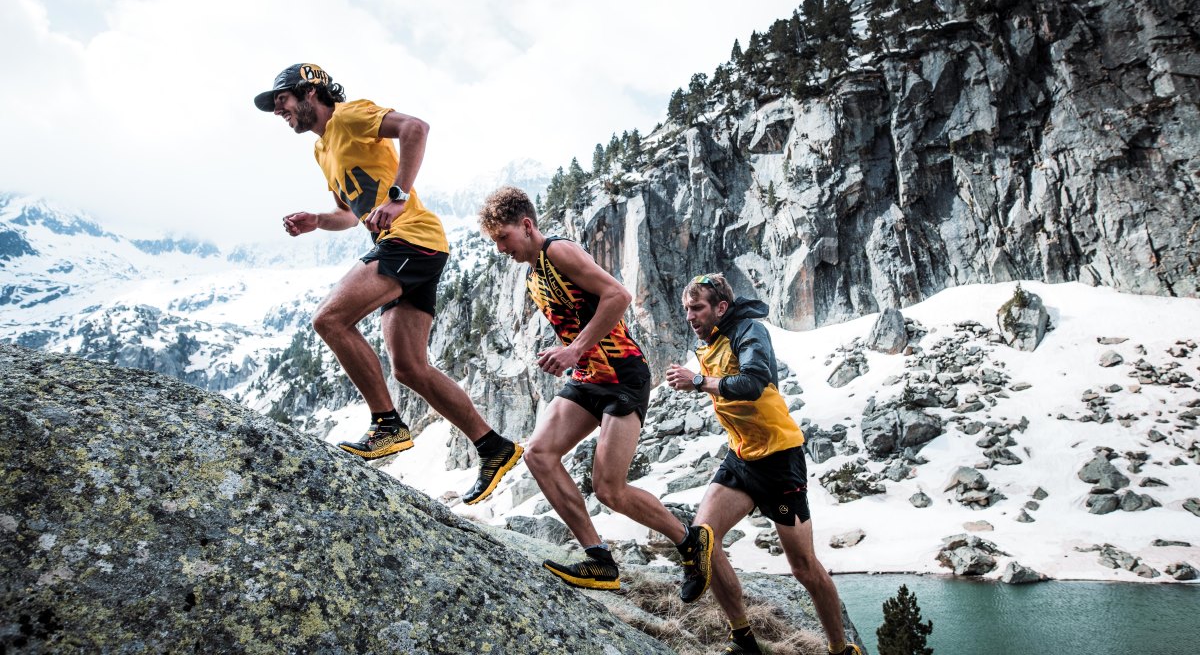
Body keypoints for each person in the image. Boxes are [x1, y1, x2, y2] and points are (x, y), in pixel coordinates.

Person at [253, 63, 521, 505]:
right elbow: (349, 212)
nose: (278, 110)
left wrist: (398, 197)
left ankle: (387, 425)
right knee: (409, 368)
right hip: (417, 247)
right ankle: (494, 447)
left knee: (329, 320)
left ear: (310, 91)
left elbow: (417, 127)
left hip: (409, 239)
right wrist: (318, 220)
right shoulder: (322, 150)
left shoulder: (351, 116)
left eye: (281, 99)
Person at [478, 186, 713, 593]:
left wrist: (572, 350)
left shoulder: (558, 252)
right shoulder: (534, 274)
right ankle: (599, 559)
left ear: (527, 226)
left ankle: (690, 543)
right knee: (538, 453)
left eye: (503, 237)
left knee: (609, 488)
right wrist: (568, 354)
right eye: (495, 241)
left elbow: (618, 296)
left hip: (623, 373)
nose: (501, 249)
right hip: (589, 376)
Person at [665, 274, 863, 655]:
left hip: (778, 462)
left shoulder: (749, 331)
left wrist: (698, 381)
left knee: (804, 567)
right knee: (704, 539)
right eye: (687, 309)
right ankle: (743, 640)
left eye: (698, 308)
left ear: (721, 308)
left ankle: (841, 649)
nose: (690, 316)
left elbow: (753, 382)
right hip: (741, 457)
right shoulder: (711, 340)